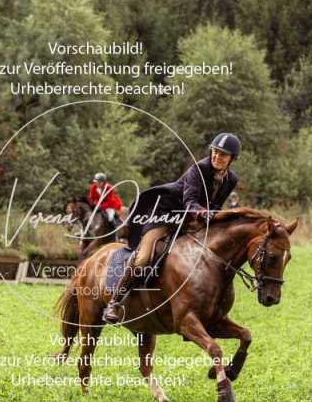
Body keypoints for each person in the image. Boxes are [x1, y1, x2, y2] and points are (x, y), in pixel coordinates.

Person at [102, 132, 241, 324]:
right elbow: (190, 202)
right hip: (164, 215)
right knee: (143, 258)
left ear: (232, 159)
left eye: (222, 155)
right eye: (215, 152)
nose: (217, 157)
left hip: (189, 221)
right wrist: (205, 213)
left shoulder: (231, 179)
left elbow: (216, 205)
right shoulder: (198, 169)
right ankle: (115, 302)